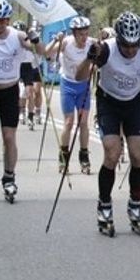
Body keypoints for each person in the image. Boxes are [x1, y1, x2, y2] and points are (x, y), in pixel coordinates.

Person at [77, 11, 140, 234]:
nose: (131, 50)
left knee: (137, 155)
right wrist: (89, 57)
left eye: (134, 45)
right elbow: (79, 76)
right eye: (126, 45)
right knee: (112, 153)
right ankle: (104, 204)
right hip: (109, 103)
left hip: (135, 103)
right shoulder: (107, 49)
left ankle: (135, 204)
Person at [0, 1, 44, 201]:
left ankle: (9, 177)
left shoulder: (16, 36)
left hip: (9, 91)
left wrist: (35, 38)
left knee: (9, 137)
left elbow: (41, 51)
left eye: (2, 21)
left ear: (7, 20)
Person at [45, 16, 94, 174]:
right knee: (68, 122)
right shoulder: (66, 42)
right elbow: (47, 54)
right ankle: (63, 156)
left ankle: (84, 155)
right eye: (80, 34)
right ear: (74, 33)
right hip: (68, 85)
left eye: (86, 33)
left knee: (83, 122)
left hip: (84, 85)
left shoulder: (91, 43)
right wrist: (55, 41)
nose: (84, 37)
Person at [15, 21, 44, 130]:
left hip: (28, 66)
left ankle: (31, 116)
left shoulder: (29, 39)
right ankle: (21, 110)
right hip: (16, 65)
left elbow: (40, 51)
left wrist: (35, 40)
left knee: (30, 91)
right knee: (19, 92)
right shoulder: (12, 40)